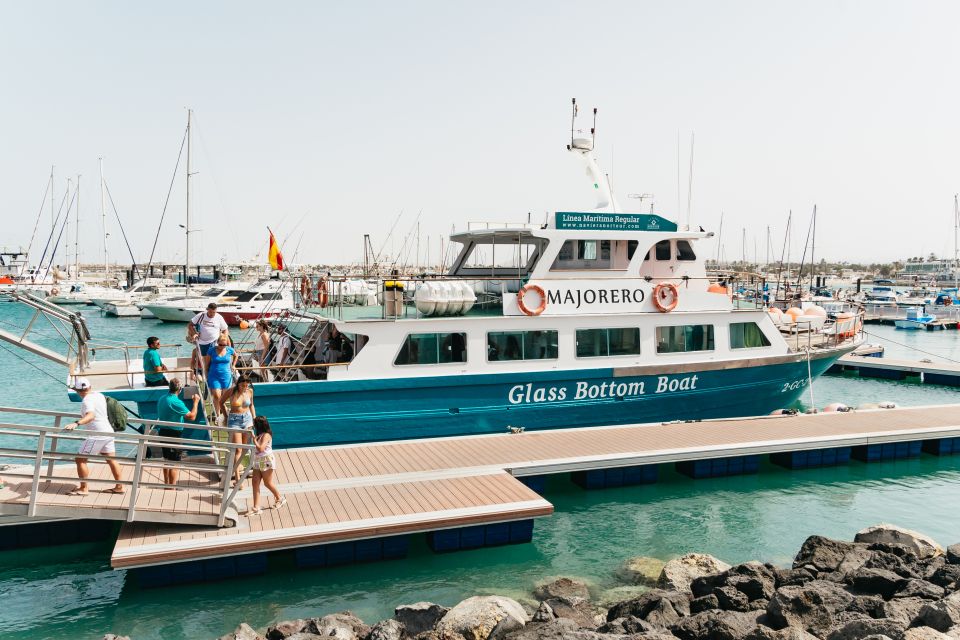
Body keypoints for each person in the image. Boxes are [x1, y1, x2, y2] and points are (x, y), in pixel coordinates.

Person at [64, 378, 123, 496]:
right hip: (108, 432)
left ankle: (84, 488)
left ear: (77, 391)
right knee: (111, 459)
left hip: (97, 434)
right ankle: (119, 487)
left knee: (80, 460)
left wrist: (77, 423)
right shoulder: (99, 395)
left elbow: (91, 415)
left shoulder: (87, 400)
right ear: (90, 387)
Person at [155, 378, 201, 487]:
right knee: (175, 463)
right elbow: (192, 416)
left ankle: (167, 485)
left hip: (163, 431)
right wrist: (196, 402)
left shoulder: (162, 398)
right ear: (179, 389)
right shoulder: (176, 401)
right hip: (173, 433)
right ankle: (172, 488)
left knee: (166, 460)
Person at [248, 416, 285, 516]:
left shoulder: (266, 435)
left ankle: (280, 498)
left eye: (255, 425)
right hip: (258, 460)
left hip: (266, 460)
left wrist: (253, 438)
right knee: (255, 483)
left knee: (267, 483)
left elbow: (260, 448)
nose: (254, 426)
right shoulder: (259, 435)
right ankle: (256, 508)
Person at [222, 375, 255, 484]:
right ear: (238, 384)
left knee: (245, 449)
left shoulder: (249, 391)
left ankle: (239, 467)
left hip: (247, 419)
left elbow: (252, 405)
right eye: (242, 385)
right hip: (234, 421)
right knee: (238, 450)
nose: (245, 387)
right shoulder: (231, 391)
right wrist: (226, 415)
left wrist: (254, 419)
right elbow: (221, 402)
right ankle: (237, 478)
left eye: (246, 385)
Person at [204, 336, 238, 418]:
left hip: (226, 376)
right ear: (217, 343)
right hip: (214, 375)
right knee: (216, 395)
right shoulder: (211, 350)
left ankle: (224, 411)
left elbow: (236, 356)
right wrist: (206, 374)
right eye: (220, 344)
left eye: (224, 345)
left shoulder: (230, 350)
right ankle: (217, 415)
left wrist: (233, 365)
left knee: (224, 396)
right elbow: (207, 364)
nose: (222, 346)